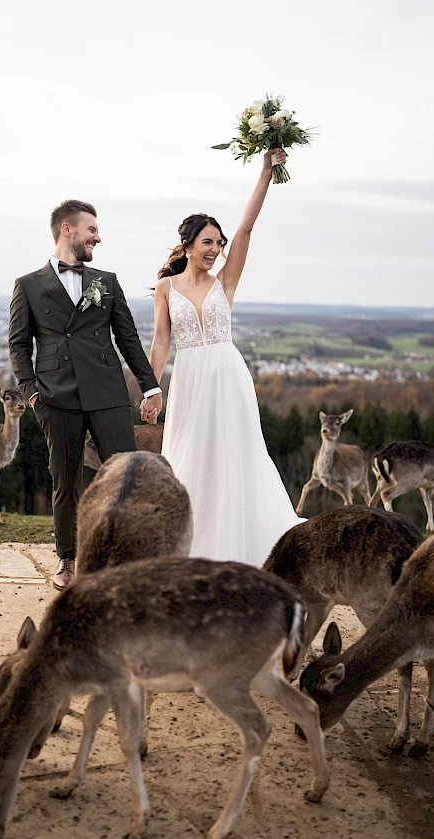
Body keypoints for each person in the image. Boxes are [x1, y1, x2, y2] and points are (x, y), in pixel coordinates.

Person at [147, 150, 304, 567]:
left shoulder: (225, 281)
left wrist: (266, 172)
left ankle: (242, 545)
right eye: (207, 243)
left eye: (219, 243)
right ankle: (189, 547)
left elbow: (247, 229)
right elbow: (162, 342)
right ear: (188, 245)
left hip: (227, 374)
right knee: (189, 458)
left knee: (234, 456)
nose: (215, 249)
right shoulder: (166, 287)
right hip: (189, 379)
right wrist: (151, 387)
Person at [9, 199, 162, 589]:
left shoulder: (106, 281)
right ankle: (67, 560)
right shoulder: (27, 285)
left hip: (108, 392)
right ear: (68, 230)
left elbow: (128, 339)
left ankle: (127, 560)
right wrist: (31, 394)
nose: (98, 236)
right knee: (66, 483)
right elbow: (18, 346)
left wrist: (151, 386)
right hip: (55, 397)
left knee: (128, 478)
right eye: (92, 229)